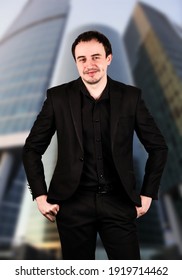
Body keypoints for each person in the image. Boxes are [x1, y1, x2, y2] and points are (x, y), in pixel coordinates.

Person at [22, 30, 168, 260]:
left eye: (96, 57)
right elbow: (31, 149)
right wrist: (40, 195)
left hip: (119, 202)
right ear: (76, 63)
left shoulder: (131, 97)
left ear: (108, 58)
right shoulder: (57, 98)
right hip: (72, 204)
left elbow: (158, 147)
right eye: (82, 59)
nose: (89, 64)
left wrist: (148, 194)